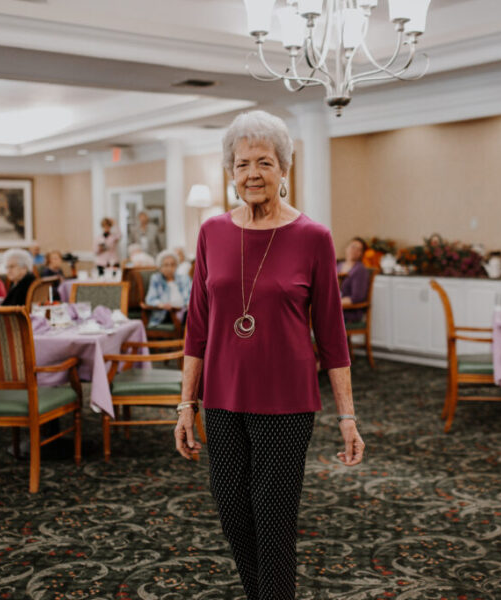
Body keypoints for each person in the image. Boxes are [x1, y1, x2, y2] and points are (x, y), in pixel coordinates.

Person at [175, 110, 365, 600]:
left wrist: (347, 416)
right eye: (241, 164)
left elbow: (332, 336)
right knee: (233, 511)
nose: (252, 174)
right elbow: (197, 327)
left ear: (284, 169)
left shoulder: (312, 237)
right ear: (230, 172)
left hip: (286, 400)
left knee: (274, 517)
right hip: (221, 397)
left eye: (264, 162)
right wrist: (184, 404)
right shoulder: (212, 232)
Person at [145, 250, 191, 326]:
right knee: (190, 317)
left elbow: (192, 296)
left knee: (194, 313)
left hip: (184, 310)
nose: (169, 268)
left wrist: (189, 304)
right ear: (160, 267)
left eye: (173, 264)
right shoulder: (156, 279)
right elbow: (150, 299)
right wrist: (161, 304)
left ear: (177, 266)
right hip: (166, 314)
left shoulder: (184, 278)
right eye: (166, 265)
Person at [339, 237, 371, 323]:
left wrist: (332, 304)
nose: (355, 250)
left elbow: (357, 297)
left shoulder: (360, 270)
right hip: (335, 308)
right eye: (353, 247)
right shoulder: (338, 266)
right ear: (347, 248)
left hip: (349, 311)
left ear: (361, 254)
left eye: (359, 249)